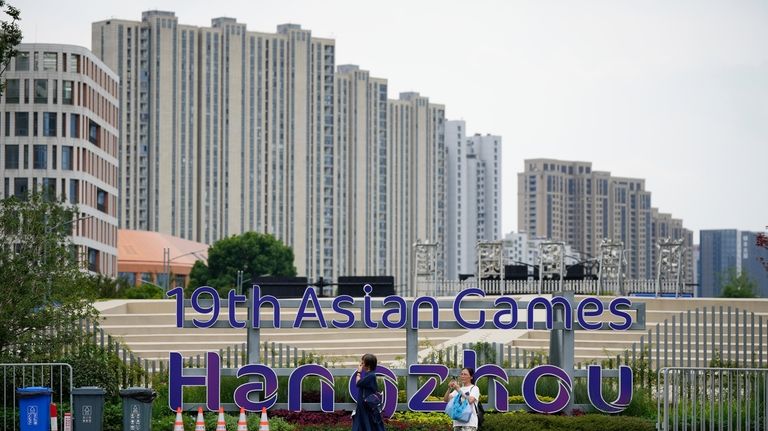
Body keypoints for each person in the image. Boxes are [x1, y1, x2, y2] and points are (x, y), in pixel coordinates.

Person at [351, 353, 385, 431]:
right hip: (366, 404)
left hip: (366, 405)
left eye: (362, 363)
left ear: (368, 365)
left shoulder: (370, 376)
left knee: (367, 422)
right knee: (366, 422)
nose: (361, 364)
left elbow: (358, 383)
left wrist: (358, 373)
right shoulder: (369, 375)